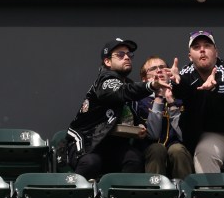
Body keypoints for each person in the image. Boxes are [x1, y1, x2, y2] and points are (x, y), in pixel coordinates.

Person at [65, 37, 171, 180]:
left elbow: (127, 112)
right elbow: (123, 92)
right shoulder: (105, 81)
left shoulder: (127, 84)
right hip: (87, 142)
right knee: (91, 162)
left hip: (112, 146)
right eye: (120, 55)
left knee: (133, 159)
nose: (127, 57)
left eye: (129, 54)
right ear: (107, 61)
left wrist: (139, 127)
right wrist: (151, 85)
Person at [171, 30, 224, 173]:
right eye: (196, 47)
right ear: (190, 57)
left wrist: (214, 87)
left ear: (216, 52)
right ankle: (210, 194)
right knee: (204, 155)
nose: (202, 50)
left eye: (207, 45)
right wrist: (176, 84)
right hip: (215, 135)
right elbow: (181, 89)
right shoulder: (186, 72)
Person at [134, 55, 193, 179]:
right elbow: (153, 135)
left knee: (177, 150)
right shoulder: (139, 101)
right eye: (153, 68)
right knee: (157, 149)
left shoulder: (181, 98)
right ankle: (155, 194)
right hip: (150, 149)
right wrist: (159, 98)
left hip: (177, 147)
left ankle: (186, 194)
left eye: (162, 67)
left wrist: (171, 103)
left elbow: (184, 136)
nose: (159, 70)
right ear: (144, 79)